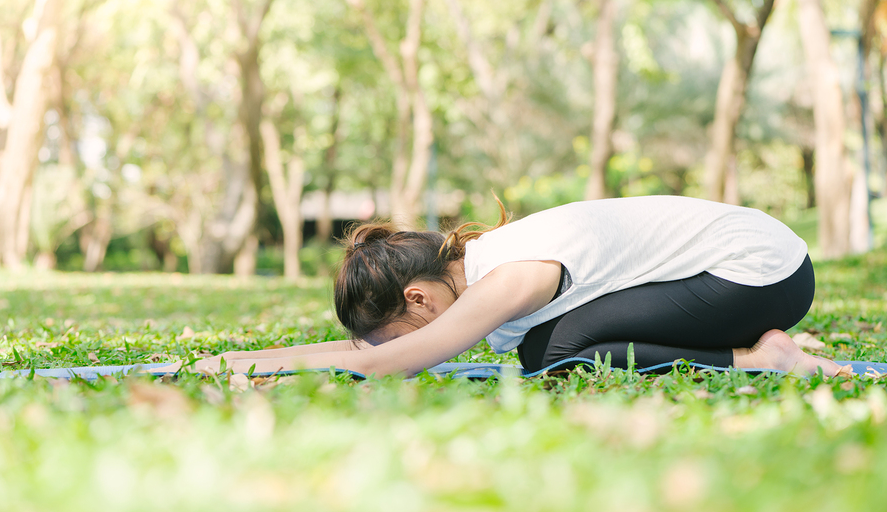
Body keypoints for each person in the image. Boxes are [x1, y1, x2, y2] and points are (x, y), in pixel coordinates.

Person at [168, 196, 846, 378]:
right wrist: (238, 362)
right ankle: (751, 342)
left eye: (403, 330)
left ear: (420, 300)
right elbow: (364, 351)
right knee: (550, 345)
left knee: (556, 352)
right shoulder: (481, 265)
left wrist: (232, 363)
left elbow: (374, 365)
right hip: (755, 267)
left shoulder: (506, 275)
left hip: (762, 273)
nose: (417, 343)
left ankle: (761, 358)